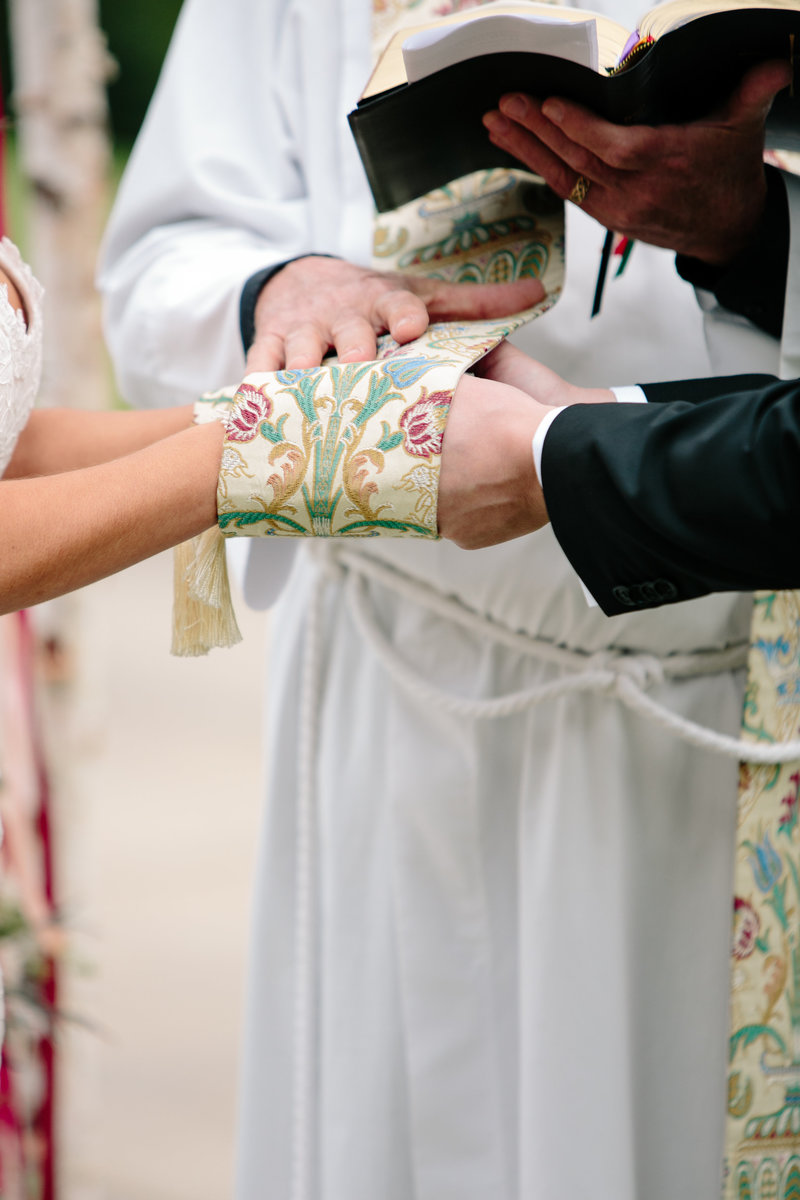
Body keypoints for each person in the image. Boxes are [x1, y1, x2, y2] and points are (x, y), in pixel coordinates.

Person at [97, 1, 795, 1197]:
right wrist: (282, 287)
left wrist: (749, 230)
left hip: (726, 710)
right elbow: (163, 256)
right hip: (404, 683)